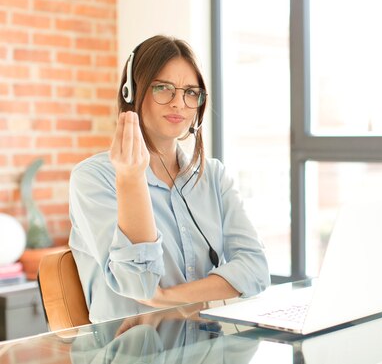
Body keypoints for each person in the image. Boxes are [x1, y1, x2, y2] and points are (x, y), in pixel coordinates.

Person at [69, 35, 270, 323]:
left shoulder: (213, 176)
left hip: (203, 348)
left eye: (190, 92)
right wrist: (131, 178)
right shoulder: (93, 178)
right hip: (130, 352)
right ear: (132, 93)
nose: (179, 102)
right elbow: (139, 285)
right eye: (163, 88)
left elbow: (256, 269)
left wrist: (164, 298)